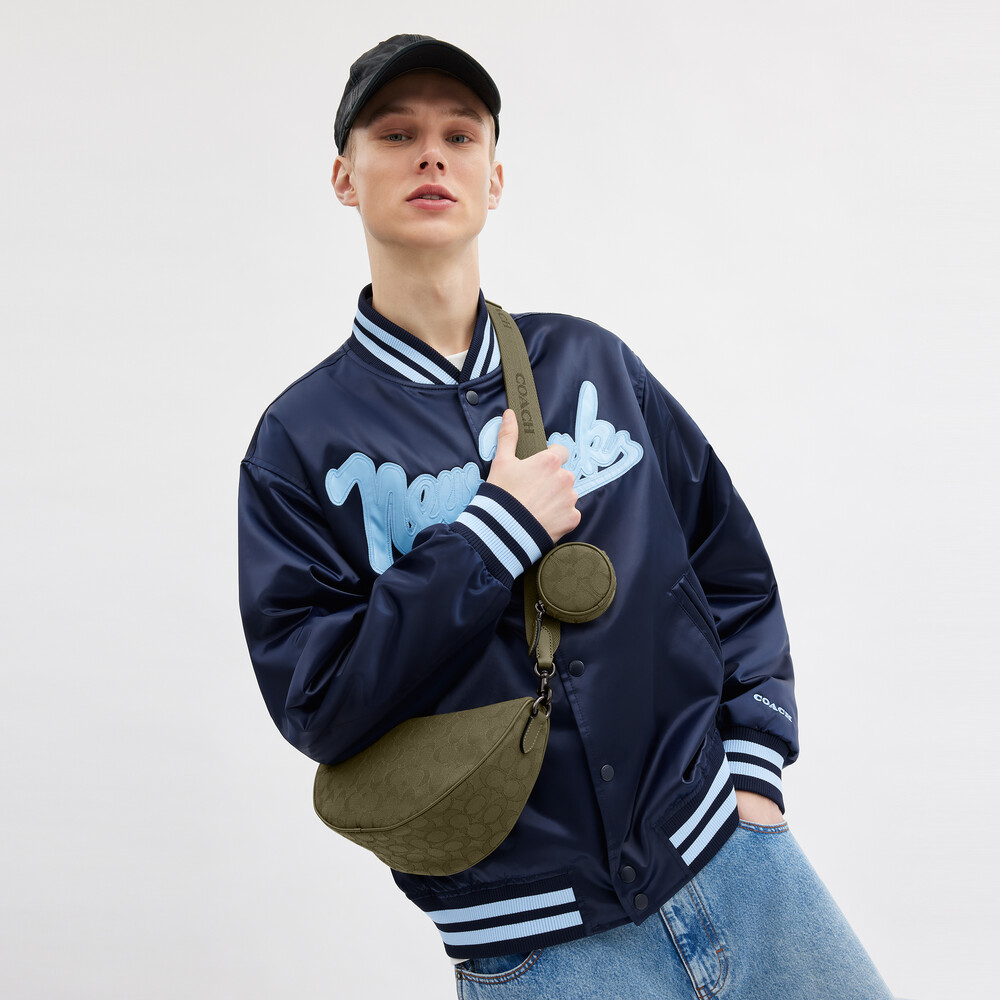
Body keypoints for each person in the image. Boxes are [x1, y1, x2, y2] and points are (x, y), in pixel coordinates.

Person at [238, 33, 896, 999]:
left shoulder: (594, 363)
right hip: (541, 954)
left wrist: (756, 767)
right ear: (346, 177)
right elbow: (319, 701)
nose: (432, 157)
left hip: (744, 873)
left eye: (461, 136)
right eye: (397, 134)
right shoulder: (301, 440)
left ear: (494, 179)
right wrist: (492, 535)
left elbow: (729, 567)